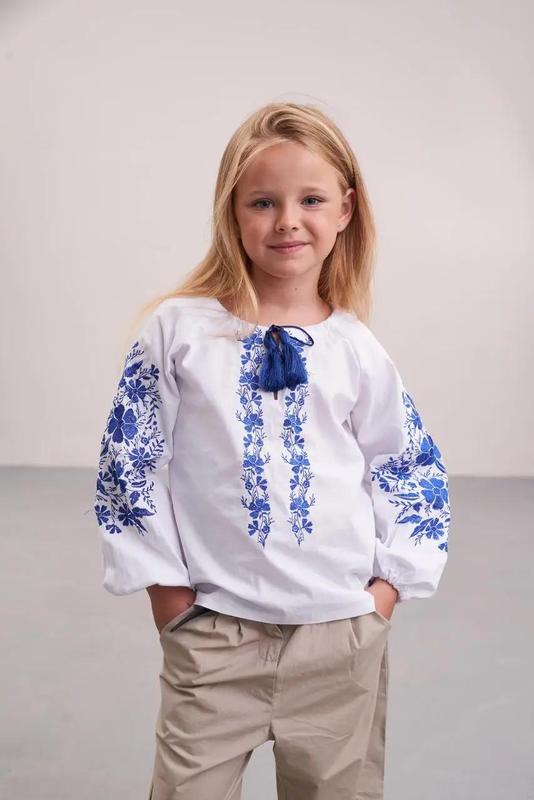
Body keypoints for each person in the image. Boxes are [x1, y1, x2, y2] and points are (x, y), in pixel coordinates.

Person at [93, 101, 451, 800]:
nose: (288, 220)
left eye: (310, 199)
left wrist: (384, 595)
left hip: (339, 640)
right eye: (263, 202)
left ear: (345, 210)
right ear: (232, 213)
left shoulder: (356, 349)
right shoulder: (181, 331)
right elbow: (129, 460)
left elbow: (408, 466)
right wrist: (169, 597)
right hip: (215, 636)